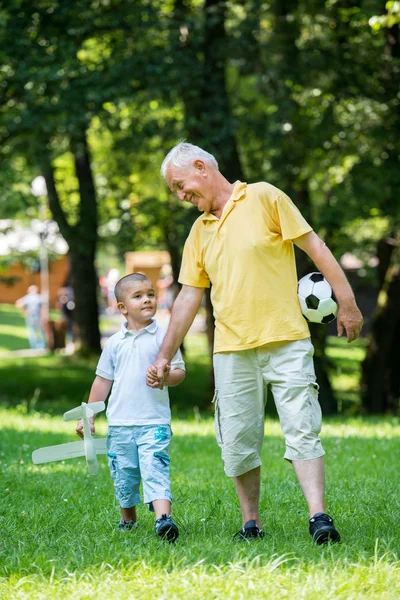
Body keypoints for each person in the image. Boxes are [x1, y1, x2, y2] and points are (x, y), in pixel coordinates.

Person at [148, 142, 363, 544]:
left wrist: (347, 301)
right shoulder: (199, 231)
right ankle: (252, 522)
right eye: (175, 191)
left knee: (302, 428)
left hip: (287, 340)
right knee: (238, 439)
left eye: (180, 185)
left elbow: (314, 247)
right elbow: (188, 297)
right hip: (231, 351)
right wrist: (165, 354)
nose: (180, 196)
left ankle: (319, 516)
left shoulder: (264, 196)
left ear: (200, 166)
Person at [75, 272, 185, 540]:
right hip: (120, 423)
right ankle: (128, 519)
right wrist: (89, 415)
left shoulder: (164, 338)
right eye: (138, 296)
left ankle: (163, 519)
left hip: (154, 422)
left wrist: (165, 376)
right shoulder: (114, 343)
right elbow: (102, 381)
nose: (147, 300)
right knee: (124, 473)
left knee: (155, 466)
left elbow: (180, 374)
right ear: (122, 308)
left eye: (150, 294)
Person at [15, 285, 46, 349]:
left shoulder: (28, 297)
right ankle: (40, 346)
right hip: (36, 316)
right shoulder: (38, 297)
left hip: (33, 316)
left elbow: (18, 303)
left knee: (33, 331)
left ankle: (35, 346)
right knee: (38, 331)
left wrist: (24, 311)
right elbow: (43, 307)